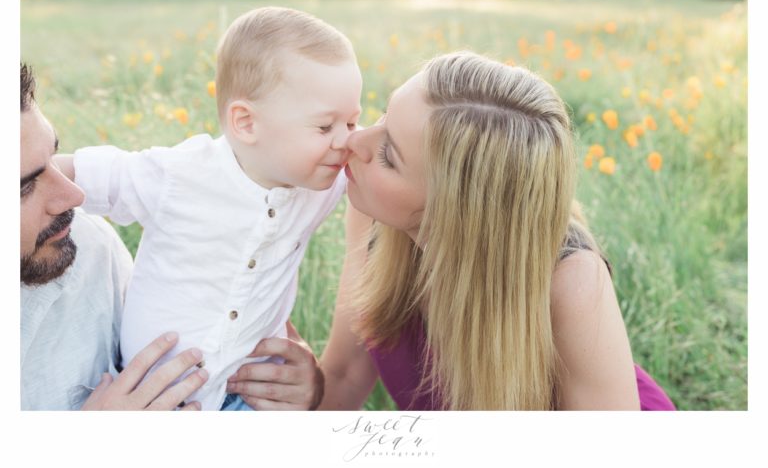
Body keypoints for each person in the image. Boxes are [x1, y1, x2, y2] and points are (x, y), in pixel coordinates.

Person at [226, 51, 676, 410]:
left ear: (455, 214)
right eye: (382, 118)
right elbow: (344, 378)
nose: (354, 142)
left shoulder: (571, 281)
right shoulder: (374, 215)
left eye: (389, 155)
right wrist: (308, 391)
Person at [55, 7, 362, 410]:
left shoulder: (326, 180)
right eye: (325, 127)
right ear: (246, 123)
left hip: (251, 395)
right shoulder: (181, 175)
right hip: (151, 399)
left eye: (352, 123)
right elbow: (89, 173)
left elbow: (395, 159)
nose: (345, 141)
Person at [20, 63, 208, 410]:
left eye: (54, 158)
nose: (75, 196)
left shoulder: (87, 245)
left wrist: (295, 380)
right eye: (25, 186)